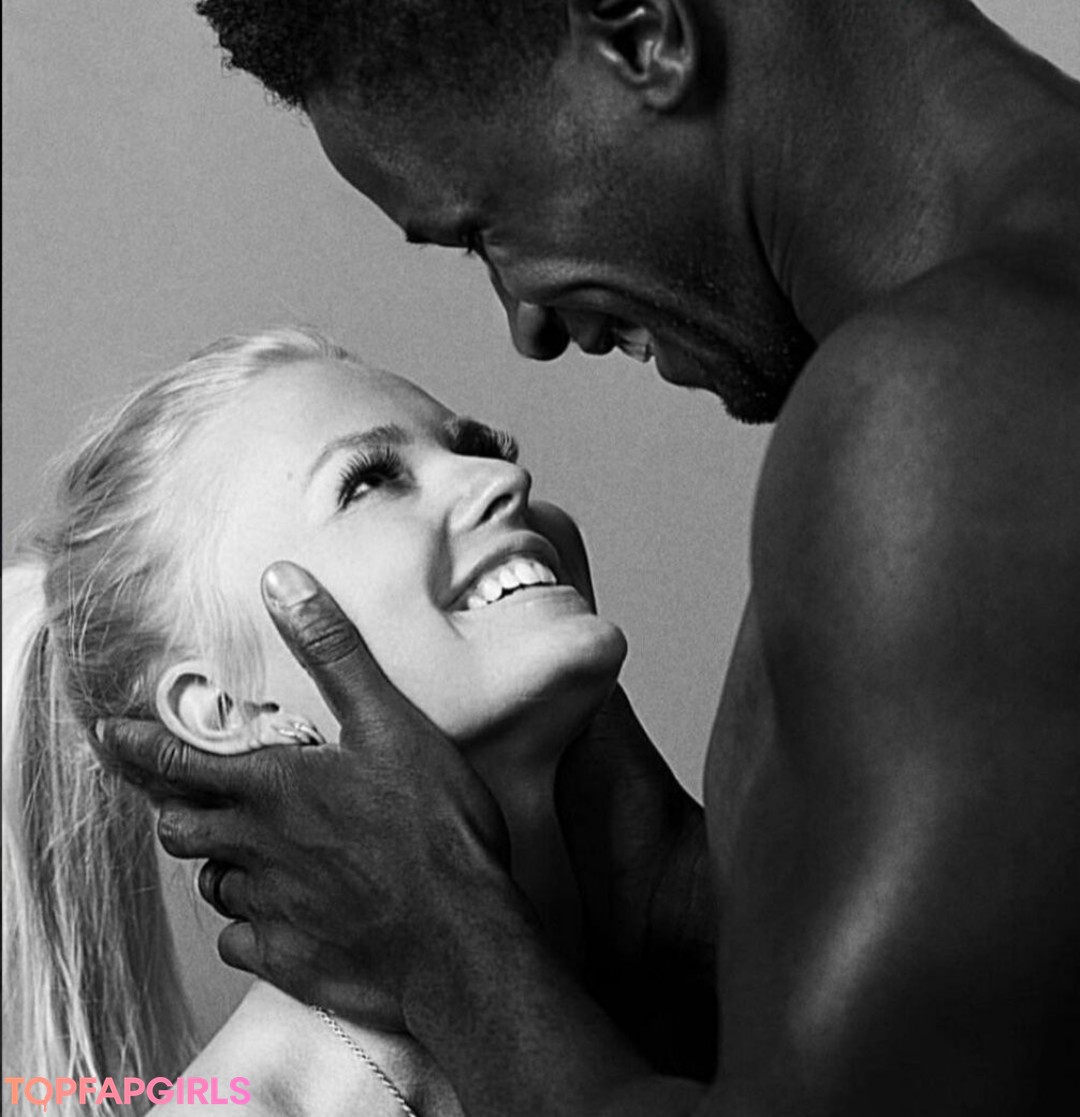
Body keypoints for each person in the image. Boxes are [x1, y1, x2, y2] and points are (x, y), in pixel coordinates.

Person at [104, 2, 1080, 1114]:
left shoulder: (953, 403)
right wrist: (664, 889)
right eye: (373, 479)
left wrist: (445, 945)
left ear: (643, 35)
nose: (527, 323)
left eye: (486, 230)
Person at [2, 325, 647, 1115]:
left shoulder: (715, 1009)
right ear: (231, 709)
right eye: (369, 481)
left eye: (478, 446)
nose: (502, 477)